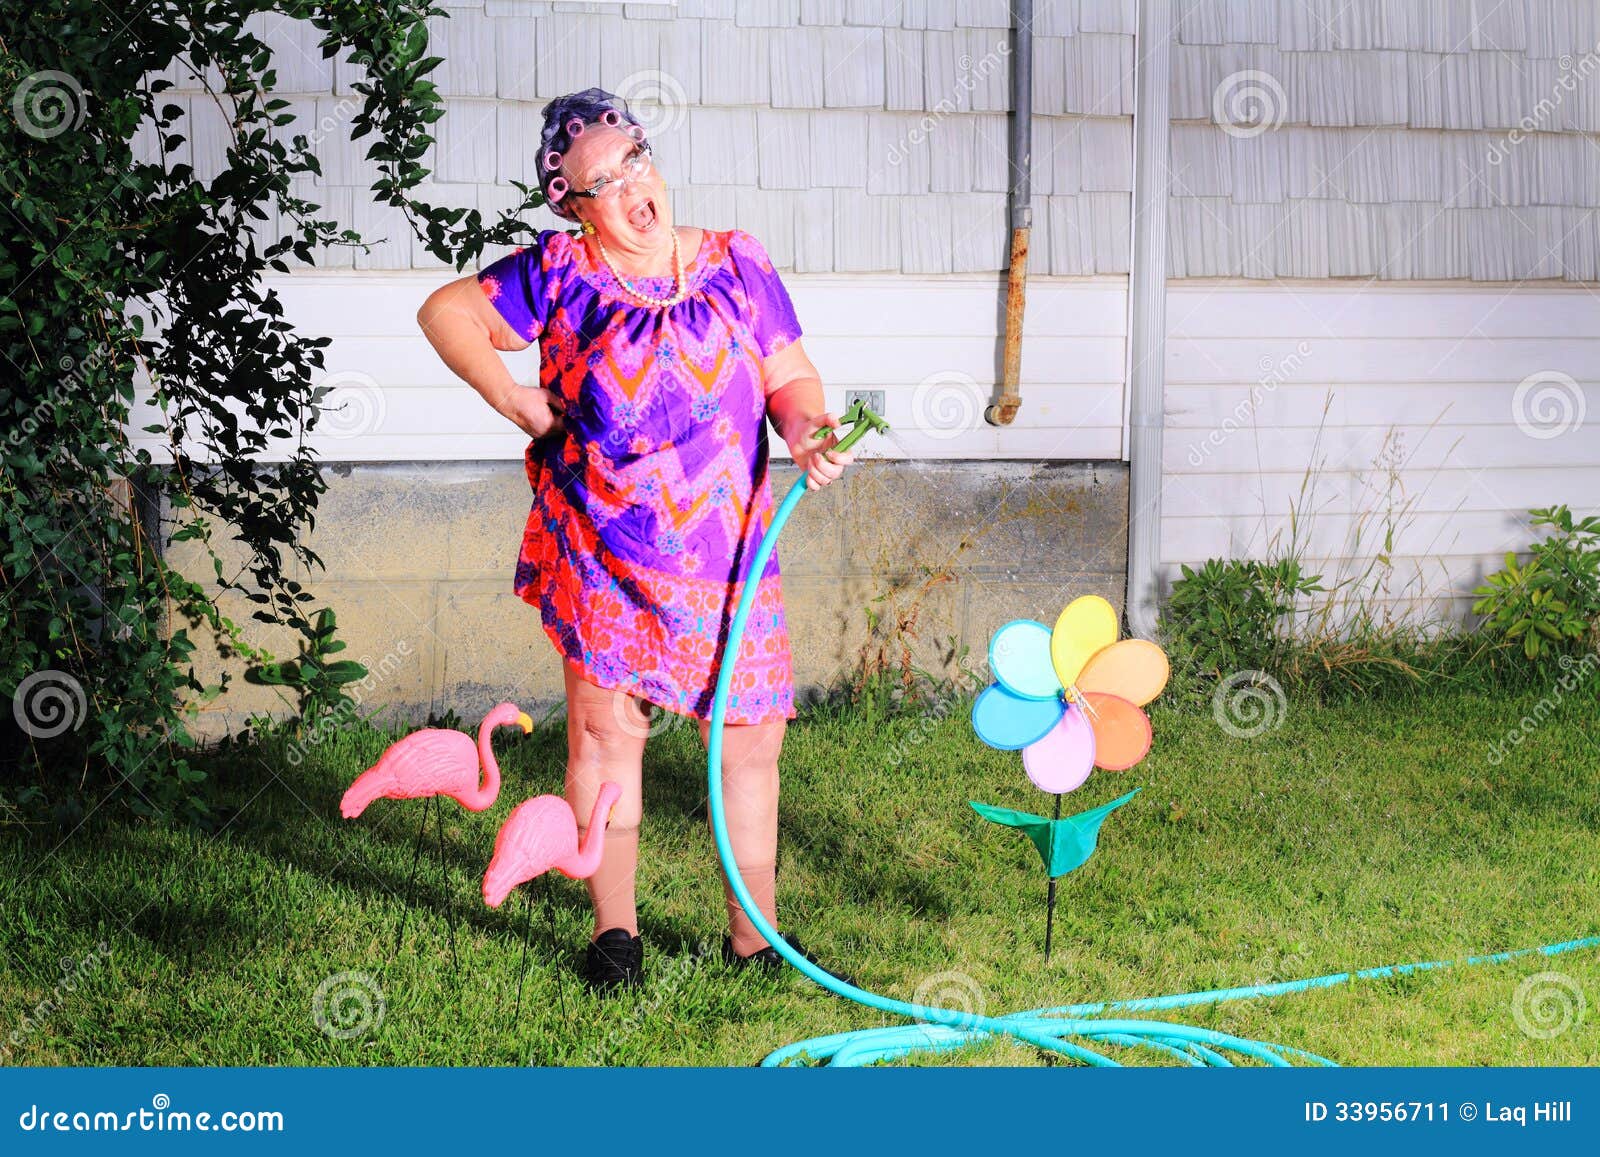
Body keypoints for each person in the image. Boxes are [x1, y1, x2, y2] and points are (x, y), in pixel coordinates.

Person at [416, 87, 854, 993]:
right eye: (600, 183)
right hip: (608, 547)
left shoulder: (737, 262)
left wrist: (809, 427)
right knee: (606, 739)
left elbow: (791, 374)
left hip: (730, 553)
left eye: (636, 161)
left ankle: (755, 940)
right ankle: (616, 935)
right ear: (573, 205)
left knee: (750, 743)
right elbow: (444, 313)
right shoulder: (560, 272)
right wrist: (513, 398)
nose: (630, 189)